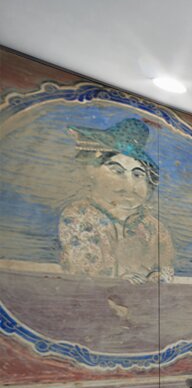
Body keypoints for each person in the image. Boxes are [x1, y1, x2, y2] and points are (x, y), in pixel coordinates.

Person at [58, 117, 175, 283]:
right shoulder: (79, 215)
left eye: (137, 174)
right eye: (117, 171)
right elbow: (84, 270)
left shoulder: (154, 227)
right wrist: (120, 281)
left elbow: (166, 268)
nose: (130, 185)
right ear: (91, 171)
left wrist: (158, 277)